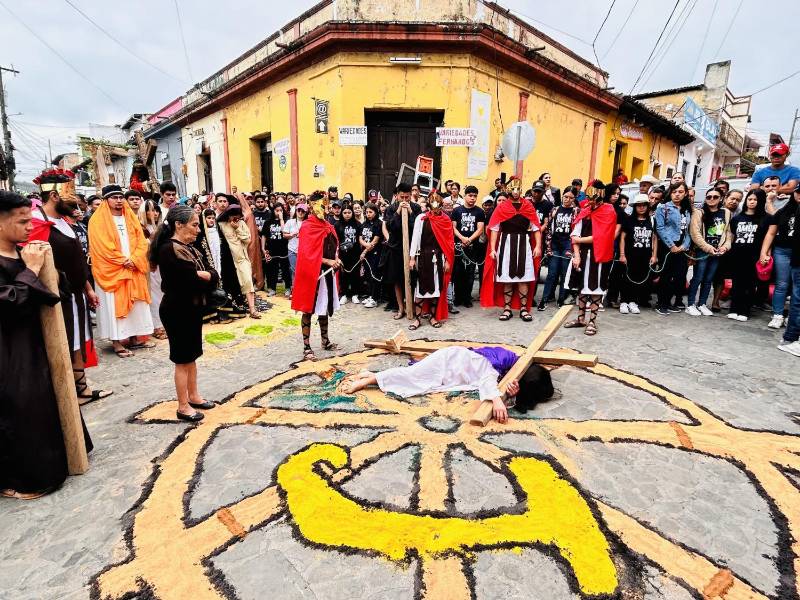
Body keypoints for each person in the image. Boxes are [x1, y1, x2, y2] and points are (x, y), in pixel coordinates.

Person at [0, 191, 93, 498]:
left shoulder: (27, 251)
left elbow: (54, 291)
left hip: (39, 341)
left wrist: (48, 267)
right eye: (23, 221)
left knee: (52, 396)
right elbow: (8, 304)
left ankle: (65, 456)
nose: (31, 227)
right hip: (10, 350)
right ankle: (21, 479)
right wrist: (31, 271)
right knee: (22, 407)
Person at [29, 176, 111, 403]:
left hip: (76, 293)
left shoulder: (64, 222)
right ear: (54, 196)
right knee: (64, 342)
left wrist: (88, 288)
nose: (76, 205)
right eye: (71, 199)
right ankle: (66, 393)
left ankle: (81, 389)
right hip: (57, 296)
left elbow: (78, 260)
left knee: (77, 340)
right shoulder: (36, 222)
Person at [342, 346, 555, 423]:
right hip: (449, 362)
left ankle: (371, 374)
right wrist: (498, 400)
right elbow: (487, 377)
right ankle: (367, 381)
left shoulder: (513, 370)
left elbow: (495, 380)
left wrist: (511, 393)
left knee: (416, 380)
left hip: (454, 373)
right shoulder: (502, 358)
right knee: (414, 378)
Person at [150, 206, 219, 422]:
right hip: (177, 310)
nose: (199, 229)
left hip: (190, 308)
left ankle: (194, 396)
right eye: (195, 224)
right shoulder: (169, 249)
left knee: (192, 356)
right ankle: (182, 406)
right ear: (179, 225)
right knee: (182, 359)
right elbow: (189, 281)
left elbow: (213, 272)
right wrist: (205, 276)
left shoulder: (189, 247)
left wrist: (206, 275)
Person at [88, 185, 154, 357]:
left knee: (137, 304)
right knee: (113, 306)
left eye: (120, 197)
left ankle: (134, 338)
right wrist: (123, 261)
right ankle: (117, 342)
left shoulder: (130, 217)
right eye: (113, 197)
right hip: (112, 270)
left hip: (133, 266)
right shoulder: (97, 220)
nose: (118, 201)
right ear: (106, 200)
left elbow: (141, 240)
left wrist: (135, 259)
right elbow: (101, 247)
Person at [481, 181, 542, 322]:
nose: (515, 192)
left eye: (518, 189)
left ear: (521, 190)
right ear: (509, 190)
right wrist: (492, 249)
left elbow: (536, 228)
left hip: (524, 244)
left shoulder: (528, 206)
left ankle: (523, 309)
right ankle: (507, 308)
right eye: (513, 189)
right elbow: (494, 229)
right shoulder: (502, 207)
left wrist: (538, 246)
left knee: (524, 278)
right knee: (506, 278)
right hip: (506, 244)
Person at [291, 191, 341, 361]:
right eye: (321, 205)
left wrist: (336, 258)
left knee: (324, 307)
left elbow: (332, 246)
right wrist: (327, 261)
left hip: (326, 275)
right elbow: (306, 254)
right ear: (312, 207)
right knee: (308, 309)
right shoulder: (307, 226)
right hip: (311, 275)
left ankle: (325, 341)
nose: (325, 209)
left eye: (325, 205)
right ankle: (306, 347)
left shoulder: (328, 225)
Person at [563, 181, 617, 335]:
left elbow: (602, 237)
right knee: (582, 286)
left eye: (593, 198)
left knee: (595, 287)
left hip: (599, 254)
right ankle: (581, 319)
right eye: (588, 197)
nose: (590, 201)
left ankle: (592, 321)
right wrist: (577, 255)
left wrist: (579, 240)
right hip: (583, 254)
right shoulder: (585, 210)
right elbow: (575, 233)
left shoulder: (608, 210)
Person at [408, 191, 455, 330]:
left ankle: (433, 317)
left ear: (441, 205)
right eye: (433, 204)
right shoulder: (421, 218)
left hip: (438, 258)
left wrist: (447, 261)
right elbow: (415, 239)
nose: (436, 207)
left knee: (437, 289)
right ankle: (417, 319)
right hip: (422, 257)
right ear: (428, 205)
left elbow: (448, 243)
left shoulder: (446, 220)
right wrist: (412, 258)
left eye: (438, 204)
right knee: (419, 289)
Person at [760, 183, 800, 329]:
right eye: (798, 193)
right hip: (782, 250)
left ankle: (793, 317)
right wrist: (764, 252)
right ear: (794, 194)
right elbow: (771, 232)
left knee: (797, 287)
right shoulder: (784, 211)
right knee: (781, 284)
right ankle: (777, 315)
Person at [685, 189, 731, 316]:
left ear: (721, 198)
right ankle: (690, 304)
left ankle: (702, 303)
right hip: (702, 251)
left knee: (709, 279)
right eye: (709, 197)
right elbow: (695, 233)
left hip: (717, 252)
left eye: (715, 197)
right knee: (698, 277)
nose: (712, 199)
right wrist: (707, 248)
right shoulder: (699, 212)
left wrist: (725, 247)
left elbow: (728, 233)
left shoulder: (726, 212)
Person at [728, 189, 767, 322]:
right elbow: (732, 236)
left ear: (760, 201)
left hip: (754, 256)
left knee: (750, 284)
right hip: (737, 255)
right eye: (749, 199)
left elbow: (768, 238)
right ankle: (734, 308)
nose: (752, 202)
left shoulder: (765, 218)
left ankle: (744, 310)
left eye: (755, 200)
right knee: (737, 283)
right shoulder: (737, 218)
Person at [654, 182, 692, 315]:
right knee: (665, 276)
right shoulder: (663, 208)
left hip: (682, 247)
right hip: (668, 247)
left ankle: (669, 302)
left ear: (685, 193)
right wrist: (672, 246)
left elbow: (689, 231)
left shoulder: (687, 210)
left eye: (680, 192)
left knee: (679, 276)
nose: (677, 194)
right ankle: (661, 303)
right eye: (674, 192)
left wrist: (684, 246)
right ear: (670, 193)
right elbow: (660, 228)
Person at [382, 183, 420, 315]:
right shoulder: (390, 209)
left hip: (411, 248)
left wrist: (410, 211)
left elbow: (418, 226)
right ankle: (400, 308)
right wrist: (398, 212)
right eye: (401, 197)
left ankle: (412, 306)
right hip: (396, 248)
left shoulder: (416, 207)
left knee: (413, 278)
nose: (404, 200)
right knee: (397, 279)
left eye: (407, 197)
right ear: (396, 196)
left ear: (411, 195)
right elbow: (391, 227)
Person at [539, 186, 579, 310]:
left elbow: (577, 230)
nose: (567, 199)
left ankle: (561, 299)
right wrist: (548, 247)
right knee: (552, 273)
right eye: (565, 197)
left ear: (574, 198)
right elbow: (549, 230)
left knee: (564, 273)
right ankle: (544, 299)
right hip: (555, 244)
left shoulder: (576, 211)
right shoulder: (555, 209)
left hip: (568, 244)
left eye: (570, 198)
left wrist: (574, 249)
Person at [217, 203, 260, 319]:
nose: (235, 218)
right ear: (228, 215)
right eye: (233, 215)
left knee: (248, 282)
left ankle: (252, 310)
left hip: (242, 259)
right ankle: (231, 310)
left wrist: (237, 229)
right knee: (231, 285)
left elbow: (248, 239)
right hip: (228, 260)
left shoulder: (241, 224)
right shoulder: (221, 225)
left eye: (237, 215)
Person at [618, 194, 657, 315]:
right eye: (638, 205)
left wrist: (654, 255)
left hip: (645, 255)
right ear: (635, 207)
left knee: (640, 278)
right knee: (627, 277)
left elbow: (654, 239)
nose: (641, 208)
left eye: (644, 205)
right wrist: (622, 254)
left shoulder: (651, 220)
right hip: (630, 254)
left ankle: (633, 301)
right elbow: (622, 238)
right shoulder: (629, 220)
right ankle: (624, 301)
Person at [451, 185, 485, 308]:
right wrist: (462, 238)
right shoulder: (457, 211)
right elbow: (453, 227)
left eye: (475, 196)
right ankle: (457, 298)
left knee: (470, 274)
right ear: (465, 196)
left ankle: (467, 298)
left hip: (472, 247)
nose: (472, 198)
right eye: (470, 195)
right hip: (459, 247)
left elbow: (480, 229)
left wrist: (469, 240)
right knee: (457, 273)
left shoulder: (479, 212)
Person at [777, 193, 800, 356]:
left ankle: (793, 338)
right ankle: (791, 337)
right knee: (796, 300)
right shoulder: (791, 209)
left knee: (798, 300)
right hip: (795, 258)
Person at [262, 203, 292, 297]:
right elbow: (264, 235)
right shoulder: (268, 222)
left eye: (281, 210)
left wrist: (281, 219)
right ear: (273, 211)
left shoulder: (287, 221)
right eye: (277, 210)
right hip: (272, 249)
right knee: (272, 270)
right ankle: (272, 288)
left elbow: (284, 232)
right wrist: (263, 248)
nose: (279, 212)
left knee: (285, 270)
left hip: (284, 249)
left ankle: (288, 288)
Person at [360, 203, 384, 309]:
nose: (368, 214)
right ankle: (370, 295)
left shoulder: (379, 223)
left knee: (375, 275)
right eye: (367, 212)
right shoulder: (364, 224)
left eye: (371, 212)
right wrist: (366, 246)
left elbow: (376, 240)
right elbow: (360, 238)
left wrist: (365, 251)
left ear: (376, 212)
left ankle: (375, 298)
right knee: (368, 275)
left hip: (375, 253)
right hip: (367, 252)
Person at [336, 205, 361, 305]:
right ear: (342, 213)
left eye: (349, 213)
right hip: (343, 254)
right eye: (345, 213)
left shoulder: (358, 224)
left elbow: (360, 239)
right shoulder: (337, 225)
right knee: (343, 275)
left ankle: (355, 294)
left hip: (355, 253)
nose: (347, 215)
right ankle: (344, 294)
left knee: (355, 273)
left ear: (352, 213)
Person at [283, 202, 306, 298]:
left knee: (303, 271)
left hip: (304, 250)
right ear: (296, 211)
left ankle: (303, 290)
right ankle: (294, 290)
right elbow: (284, 235)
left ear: (306, 212)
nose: (300, 212)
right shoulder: (290, 222)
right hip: (292, 249)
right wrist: (292, 235)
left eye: (303, 211)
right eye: (299, 210)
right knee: (294, 270)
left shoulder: (307, 222)